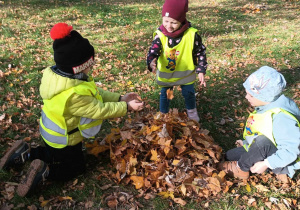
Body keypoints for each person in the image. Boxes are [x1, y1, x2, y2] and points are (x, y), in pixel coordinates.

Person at [0, 23, 144, 197]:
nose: (92, 67)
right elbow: (99, 110)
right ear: (78, 67)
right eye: (89, 64)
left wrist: (120, 98)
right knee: (76, 167)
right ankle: (45, 171)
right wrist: (126, 107)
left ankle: (26, 153)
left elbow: (96, 93)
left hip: (51, 133)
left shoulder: (62, 78)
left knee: (52, 153)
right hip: (65, 138)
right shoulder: (74, 95)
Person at [218, 66, 300, 182]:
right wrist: (247, 142)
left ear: (265, 97)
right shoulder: (266, 106)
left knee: (263, 142)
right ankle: (243, 160)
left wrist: (266, 163)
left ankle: (241, 168)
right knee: (230, 155)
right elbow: (264, 130)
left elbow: (290, 151)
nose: (246, 97)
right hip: (267, 150)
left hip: (282, 162)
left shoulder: (282, 118)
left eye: (251, 95)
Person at [146, 0, 208, 122]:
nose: (169, 26)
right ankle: (163, 113)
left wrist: (201, 70)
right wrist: (151, 61)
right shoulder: (161, 35)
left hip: (186, 74)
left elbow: (201, 52)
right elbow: (153, 50)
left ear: (182, 20)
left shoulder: (191, 34)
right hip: (167, 76)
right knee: (166, 94)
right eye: (166, 21)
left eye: (174, 22)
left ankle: (191, 112)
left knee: (189, 93)